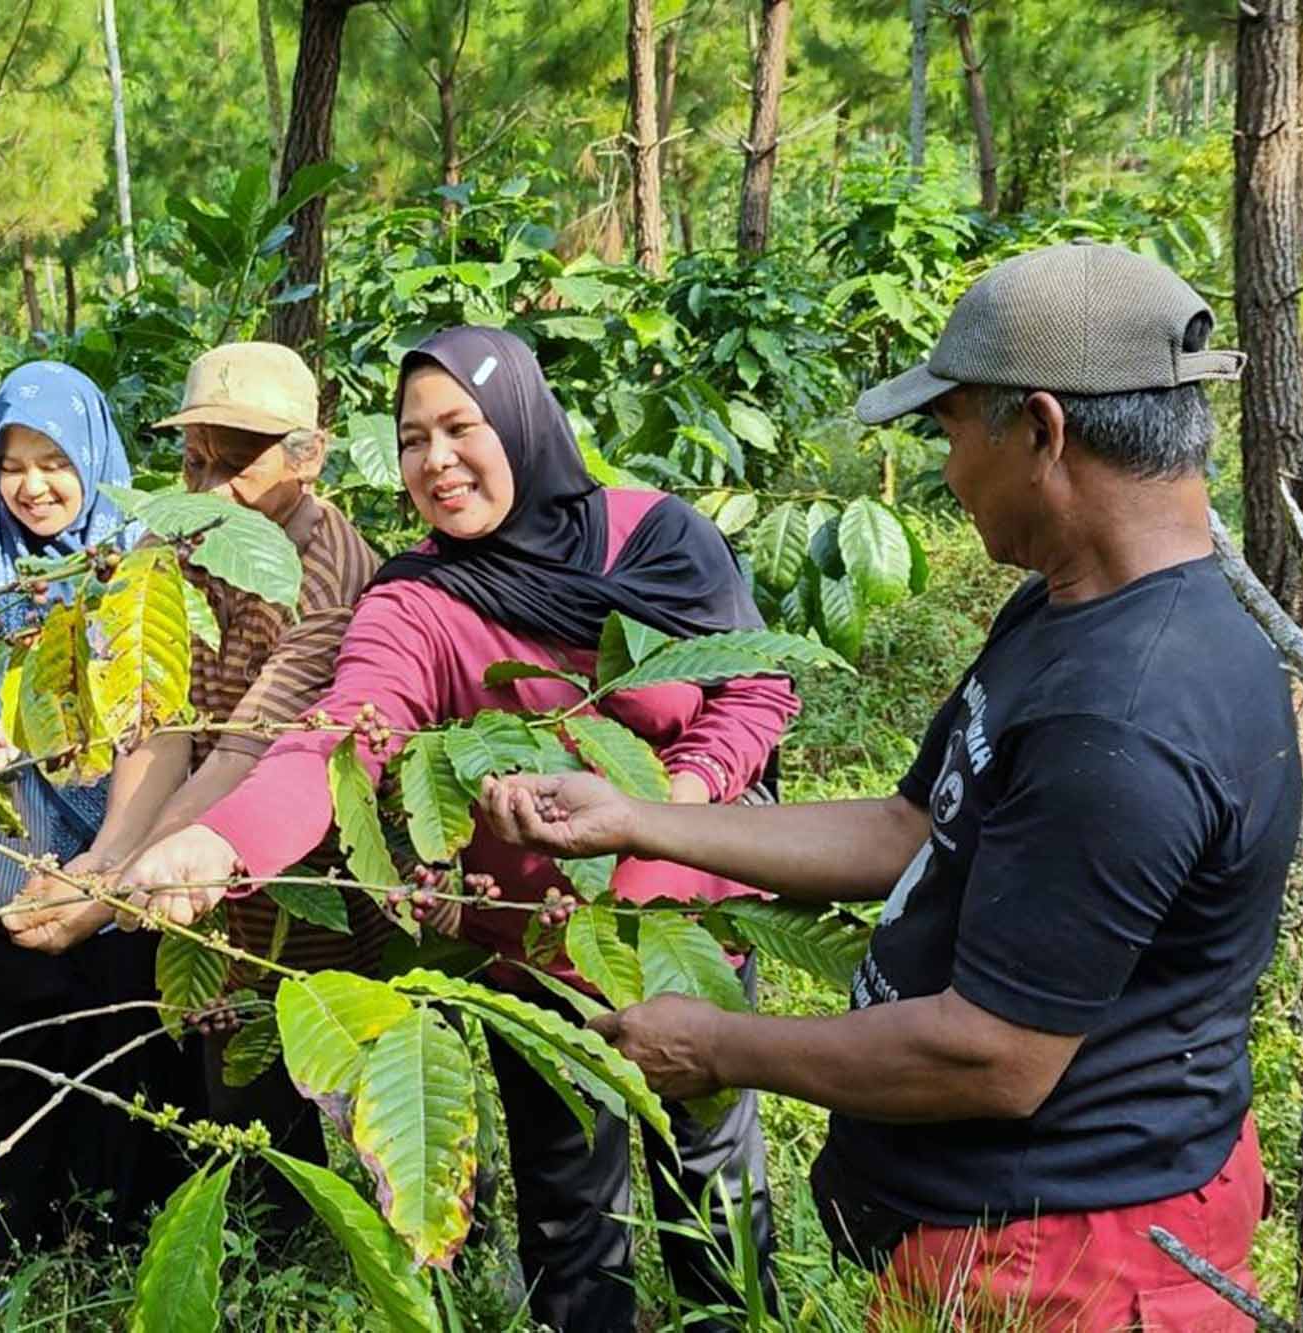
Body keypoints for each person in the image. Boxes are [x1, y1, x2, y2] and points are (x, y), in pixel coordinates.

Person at [481, 242, 1295, 1332]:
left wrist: (718, 1045)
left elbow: (994, 1055)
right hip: (1005, 1221)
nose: (947, 470)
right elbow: (912, 824)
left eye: (952, 430)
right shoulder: (1068, 607)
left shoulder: (1124, 716)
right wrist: (638, 818)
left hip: (1066, 1260)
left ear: (1042, 430)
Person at [116, 328, 800, 1332]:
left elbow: (753, 686)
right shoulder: (416, 600)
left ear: (520, 422)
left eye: (459, 427)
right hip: (537, 952)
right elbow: (337, 740)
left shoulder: (653, 535)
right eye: (411, 440)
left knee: (713, 1187)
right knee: (571, 1215)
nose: (435, 460)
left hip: (687, 930)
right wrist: (218, 842)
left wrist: (671, 807)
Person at [0, 341, 391, 1237]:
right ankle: (276, 1263)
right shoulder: (171, 545)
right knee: (243, 1093)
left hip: (310, 872)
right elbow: (158, 723)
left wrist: (106, 890)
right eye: (193, 461)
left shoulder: (331, 574)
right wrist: (106, 856)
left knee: (352, 1083)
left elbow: (242, 753)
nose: (211, 489)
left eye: (239, 462)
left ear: (309, 456)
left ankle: (421, 1263)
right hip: (197, 875)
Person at [0, 360, 182, 1265]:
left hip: (122, 860)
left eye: (54, 462)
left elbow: (158, 713)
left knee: (124, 1062)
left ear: (93, 455)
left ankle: (117, 1252)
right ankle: (11, 1256)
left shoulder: (139, 562)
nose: (32, 486)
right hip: (12, 866)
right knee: (15, 1067)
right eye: (12, 466)